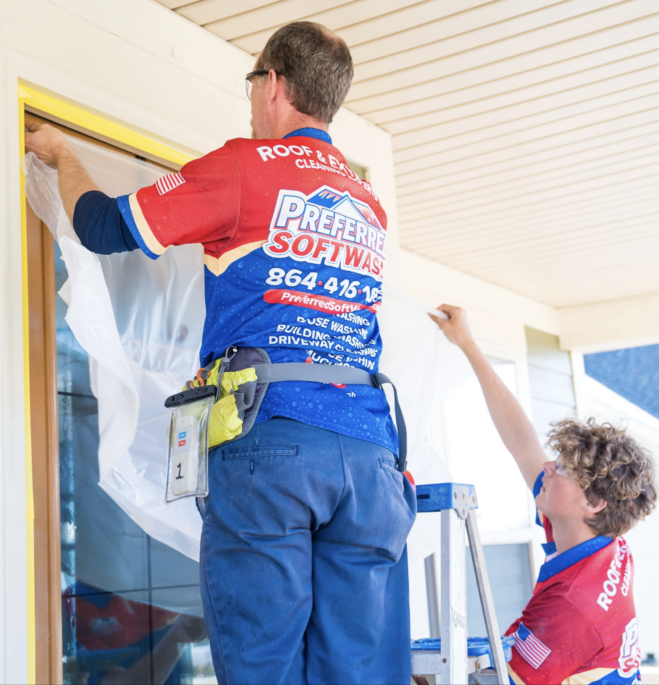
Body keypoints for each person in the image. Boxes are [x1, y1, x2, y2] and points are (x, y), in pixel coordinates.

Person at [25, 22, 415, 685]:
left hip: (275, 447)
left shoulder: (243, 167)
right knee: (355, 670)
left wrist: (62, 154)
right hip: (372, 457)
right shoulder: (367, 203)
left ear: (274, 84)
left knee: (264, 663)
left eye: (252, 82)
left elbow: (100, 226)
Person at [430, 305, 657, 685]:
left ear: (594, 502)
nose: (548, 467)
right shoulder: (598, 539)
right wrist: (467, 343)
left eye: (564, 469)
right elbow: (521, 439)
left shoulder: (572, 606)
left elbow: (501, 682)